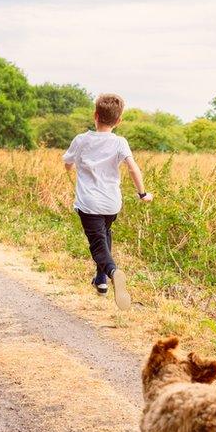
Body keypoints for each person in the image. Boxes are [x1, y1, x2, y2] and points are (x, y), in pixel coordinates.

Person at [63, 93, 152, 310]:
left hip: (89, 204)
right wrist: (142, 194)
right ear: (119, 121)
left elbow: (67, 162)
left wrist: (71, 167)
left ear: (95, 115)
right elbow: (132, 168)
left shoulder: (81, 140)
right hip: (112, 203)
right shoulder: (120, 142)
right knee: (105, 234)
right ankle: (101, 280)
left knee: (97, 245)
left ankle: (112, 273)